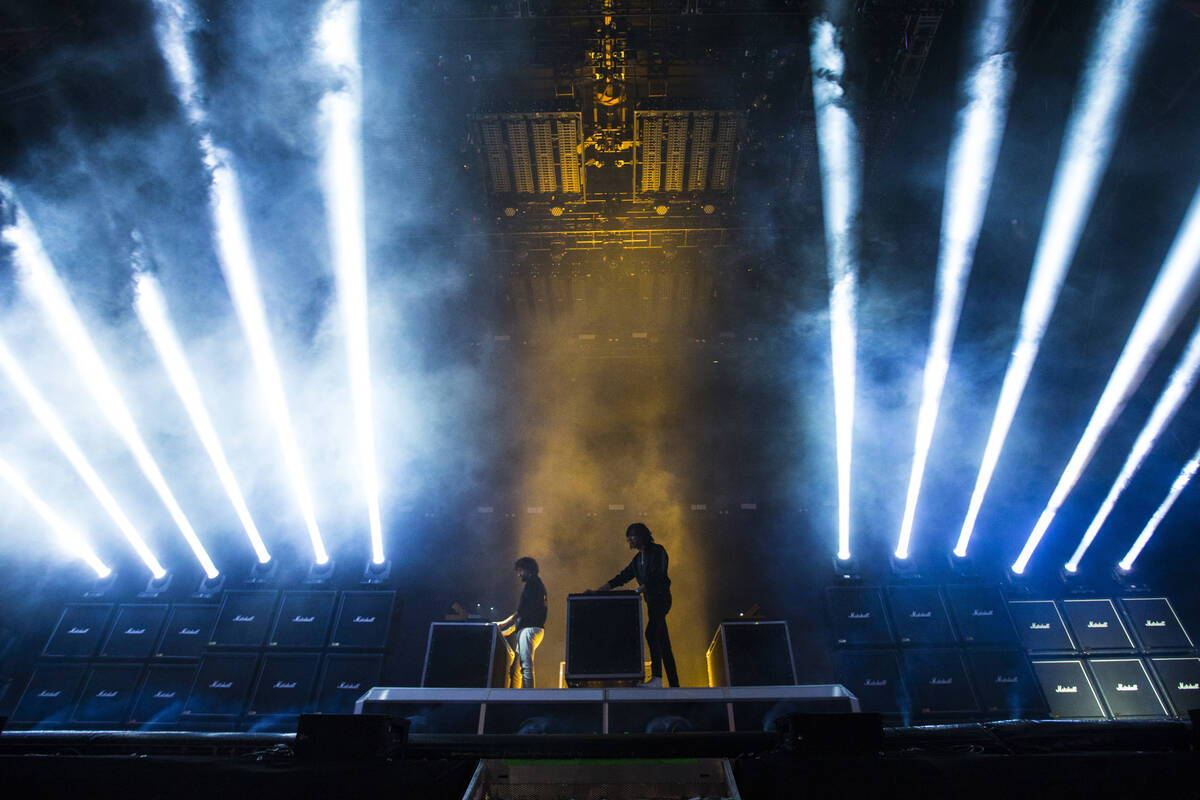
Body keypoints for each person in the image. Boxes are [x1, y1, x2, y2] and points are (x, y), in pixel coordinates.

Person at [594, 522, 679, 688]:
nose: (629, 541)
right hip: (652, 602)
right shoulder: (637, 559)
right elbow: (623, 576)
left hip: (661, 599)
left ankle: (657, 679)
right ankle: (674, 684)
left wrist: (638, 590)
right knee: (663, 643)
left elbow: (658, 576)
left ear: (641, 536)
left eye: (631, 537)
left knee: (651, 634)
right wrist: (601, 590)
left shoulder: (657, 551)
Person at [496, 556, 546, 688]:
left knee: (525, 666)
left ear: (527, 569)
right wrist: (509, 630)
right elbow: (525, 614)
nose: (518, 574)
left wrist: (504, 623)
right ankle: (517, 697)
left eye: (519, 570)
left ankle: (527, 698)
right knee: (515, 669)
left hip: (530, 630)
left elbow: (522, 611)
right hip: (529, 629)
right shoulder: (536, 584)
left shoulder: (533, 585)